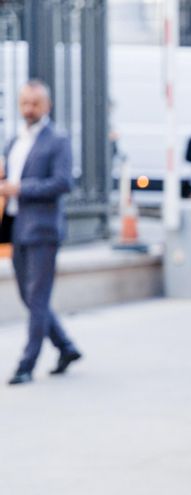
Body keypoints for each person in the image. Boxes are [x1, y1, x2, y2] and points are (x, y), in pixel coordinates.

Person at [0, 80, 80, 386]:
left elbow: (63, 183)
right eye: (24, 103)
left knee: (37, 296)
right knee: (29, 296)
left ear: (47, 105)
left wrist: (20, 188)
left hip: (44, 230)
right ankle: (66, 347)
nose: (29, 109)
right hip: (17, 227)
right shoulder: (14, 141)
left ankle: (26, 364)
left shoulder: (58, 140)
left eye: (34, 103)